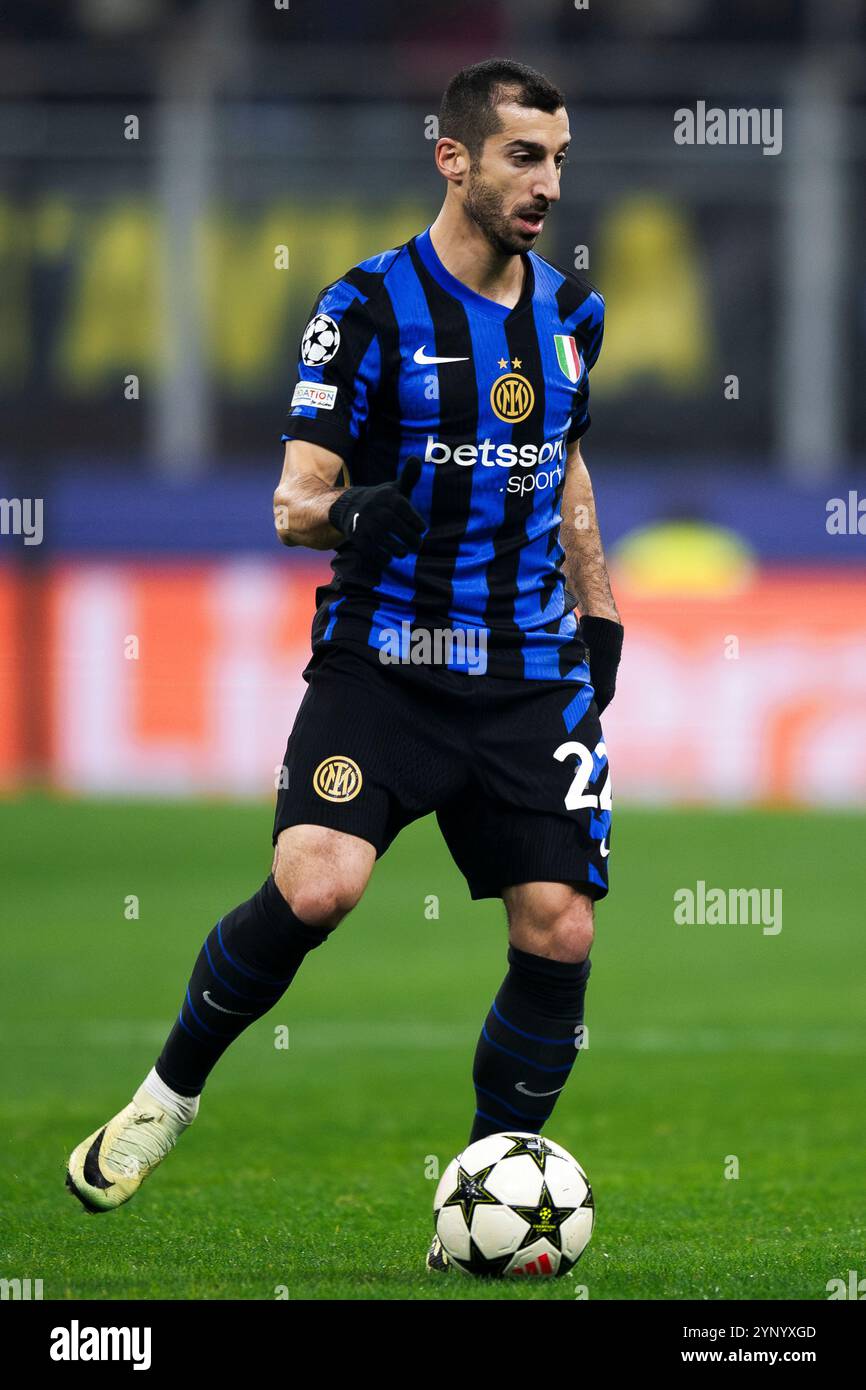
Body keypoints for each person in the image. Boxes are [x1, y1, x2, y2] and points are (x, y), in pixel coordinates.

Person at [66, 57, 622, 1272]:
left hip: (530, 670)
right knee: (317, 882)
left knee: (559, 929)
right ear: (455, 159)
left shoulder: (571, 316)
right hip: (386, 662)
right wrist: (363, 510)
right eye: (524, 157)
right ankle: (164, 1100)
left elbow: (566, 472)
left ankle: (472, 1204)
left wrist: (602, 620)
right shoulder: (364, 308)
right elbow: (292, 505)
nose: (547, 184)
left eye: (560, 160)